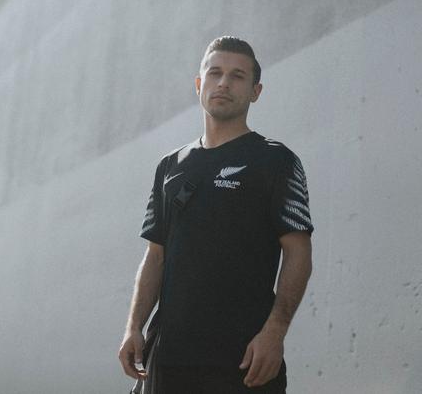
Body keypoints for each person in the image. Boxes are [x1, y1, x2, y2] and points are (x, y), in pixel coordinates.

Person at [118, 36, 314, 393]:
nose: (223, 83)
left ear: (255, 92)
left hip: (243, 360)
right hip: (168, 358)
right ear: (199, 84)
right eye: (215, 73)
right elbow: (155, 255)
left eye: (237, 76)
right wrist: (134, 327)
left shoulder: (276, 161)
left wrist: (275, 332)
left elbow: (298, 251)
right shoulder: (170, 166)